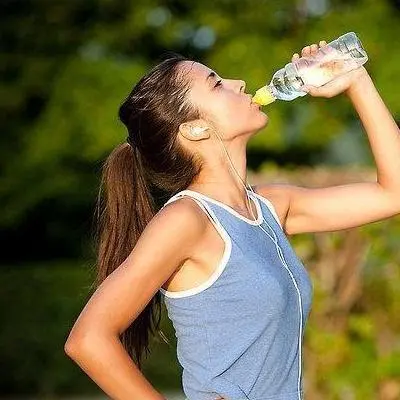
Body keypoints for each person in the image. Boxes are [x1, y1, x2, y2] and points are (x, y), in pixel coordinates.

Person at [64, 40, 400, 400]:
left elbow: (393, 194)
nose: (238, 83)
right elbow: (88, 339)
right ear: (195, 129)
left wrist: (356, 81)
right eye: (216, 83)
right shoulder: (186, 220)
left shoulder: (271, 206)